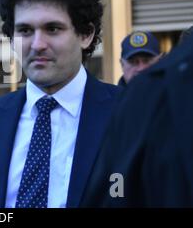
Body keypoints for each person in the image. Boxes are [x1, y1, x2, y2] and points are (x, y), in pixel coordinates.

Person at [0, 0, 119, 208]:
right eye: (24, 30)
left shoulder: (131, 113)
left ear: (86, 35)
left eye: (53, 29)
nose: (37, 44)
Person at [80, 33, 193, 207]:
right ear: (122, 64)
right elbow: (112, 174)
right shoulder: (107, 106)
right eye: (134, 62)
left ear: (161, 60)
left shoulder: (172, 105)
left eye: (147, 60)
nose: (140, 68)